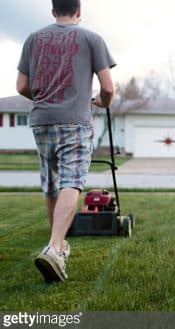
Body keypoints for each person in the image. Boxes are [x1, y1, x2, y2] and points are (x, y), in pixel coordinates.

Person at [16, 0, 116, 282]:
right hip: (75, 121)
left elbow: (22, 86)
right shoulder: (92, 38)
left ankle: (56, 247)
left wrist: (48, 99)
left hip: (41, 120)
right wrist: (99, 101)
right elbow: (108, 88)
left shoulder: (33, 39)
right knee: (71, 181)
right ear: (79, 11)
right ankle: (54, 246)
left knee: (51, 181)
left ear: (53, 11)